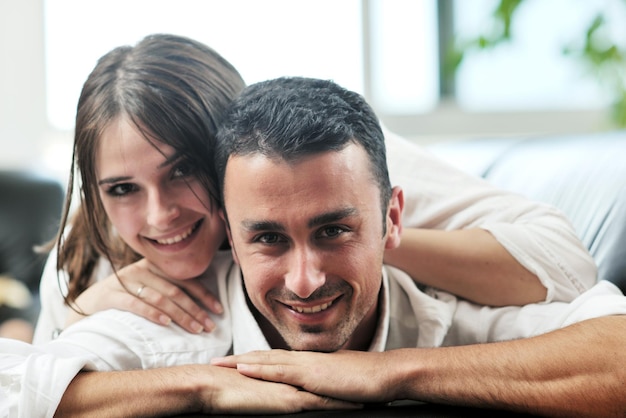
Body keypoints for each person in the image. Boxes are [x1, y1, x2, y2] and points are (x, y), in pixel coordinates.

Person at [3, 76, 623, 417]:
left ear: (392, 216)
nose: (304, 280)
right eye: (267, 238)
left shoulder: (445, 308)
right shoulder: (167, 321)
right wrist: (200, 386)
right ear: (230, 229)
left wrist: (384, 374)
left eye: (333, 230)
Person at [31, 34, 597, 346]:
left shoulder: (328, 165)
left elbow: (568, 266)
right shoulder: (90, 257)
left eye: (182, 171)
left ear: (228, 156)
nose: (158, 216)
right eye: (123, 188)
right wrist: (81, 311)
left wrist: (361, 237)